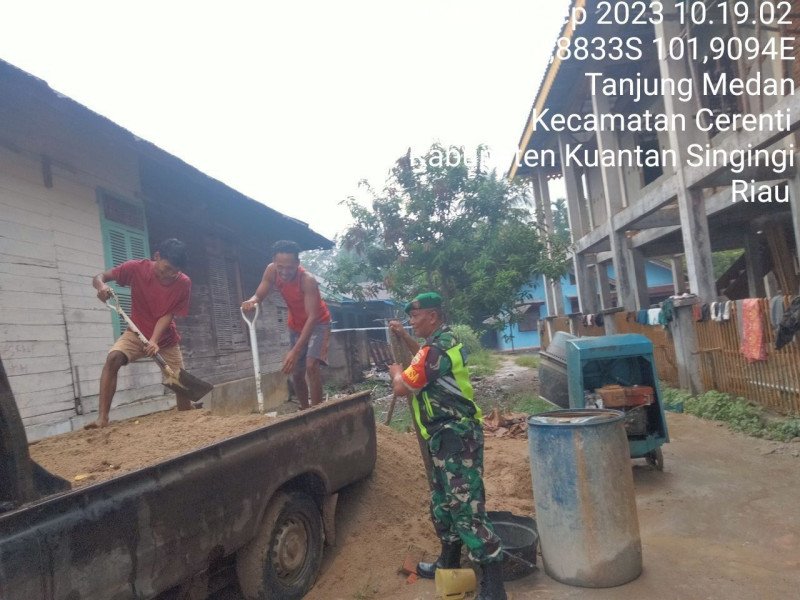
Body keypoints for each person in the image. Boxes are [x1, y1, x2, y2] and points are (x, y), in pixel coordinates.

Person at [388, 292, 506, 600]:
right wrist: (404, 338)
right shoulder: (441, 343)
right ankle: (448, 564)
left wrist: (396, 373)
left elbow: (402, 387)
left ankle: (494, 588)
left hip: (456, 438)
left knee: (466, 510)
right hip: (443, 437)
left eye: (415, 317)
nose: (412, 322)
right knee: (443, 504)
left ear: (433, 317)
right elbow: (423, 357)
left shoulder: (437, 349)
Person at [86, 238, 192, 429]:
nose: (170, 275)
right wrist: (101, 287)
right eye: (167, 268)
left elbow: (168, 314)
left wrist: (154, 340)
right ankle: (102, 419)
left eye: (175, 272)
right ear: (157, 256)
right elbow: (99, 277)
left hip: (165, 339)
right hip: (135, 332)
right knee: (113, 358)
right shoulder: (136, 268)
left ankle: (187, 418)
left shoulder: (183, 283)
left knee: (180, 383)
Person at [241, 240, 331, 410]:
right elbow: (260, 293)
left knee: (311, 365)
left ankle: (318, 412)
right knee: (297, 372)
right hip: (295, 324)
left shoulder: (307, 280)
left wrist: (295, 351)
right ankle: (304, 411)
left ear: (297, 263)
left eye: (289, 267)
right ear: (274, 262)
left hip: (318, 324)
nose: (284, 272)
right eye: (280, 267)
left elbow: (312, 317)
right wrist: (252, 301)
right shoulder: (271, 271)